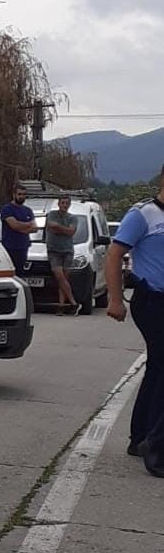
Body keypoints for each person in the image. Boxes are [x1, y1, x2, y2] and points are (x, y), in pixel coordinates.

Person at [105, 165, 164, 478]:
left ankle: (139, 437)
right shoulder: (143, 215)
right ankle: (157, 450)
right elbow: (114, 255)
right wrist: (115, 299)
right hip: (152, 300)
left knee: (157, 367)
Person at [45, 196, 80, 312]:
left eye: (67, 203)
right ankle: (73, 302)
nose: (64, 205)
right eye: (62, 203)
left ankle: (61, 306)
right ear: (58, 204)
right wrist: (65, 230)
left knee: (64, 278)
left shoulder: (73, 218)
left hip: (68, 251)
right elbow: (51, 227)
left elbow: (71, 232)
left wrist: (59, 228)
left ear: (69, 205)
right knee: (60, 276)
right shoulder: (52, 214)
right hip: (54, 250)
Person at [0, 184, 37, 271]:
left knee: (20, 272)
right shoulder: (7, 209)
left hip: (23, 247)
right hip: (10, 247)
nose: (22, 196)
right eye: (19, 194)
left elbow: (35, 228)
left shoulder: (28, 210)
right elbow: (14, 225)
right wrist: (28, 224)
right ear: (14, 195)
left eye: (24, 194)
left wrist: (21, 228)